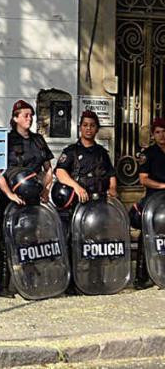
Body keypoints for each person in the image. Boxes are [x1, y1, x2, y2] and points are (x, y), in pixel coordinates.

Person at [0, 99, 54, 297]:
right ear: (15, 118)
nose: (29, 118)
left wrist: (46, 190)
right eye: (25, 115)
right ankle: (3, 284)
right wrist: (9, 194)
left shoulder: (38, 140)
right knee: (7, 238)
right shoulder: (7, 140)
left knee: (32, 238)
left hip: (34, 197)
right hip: (11, 198)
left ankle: (28, 281)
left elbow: (48, 168)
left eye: (31, 115)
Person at [55, 110, 116, 294]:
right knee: (74, 242)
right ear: (80, 128)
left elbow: (111, 174)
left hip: (98, 205)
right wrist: (76, 187)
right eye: (85, 125)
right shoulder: (71, 151)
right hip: (77, 204)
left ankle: (95, 280)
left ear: (96, 129)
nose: (88, 128)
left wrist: (113, 190)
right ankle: (72, 283)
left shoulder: (101, 153)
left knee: (97, 243)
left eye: (92, 125)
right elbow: (59, 172)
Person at [133, 117, 165, 288]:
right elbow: (143, 179)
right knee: (147, 233)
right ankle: (141, 276)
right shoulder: (148, 154)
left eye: (164, 131)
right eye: (158, 132)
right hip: (154, 199)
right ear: (153, 135)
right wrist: (162, 185)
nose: (162, 135)